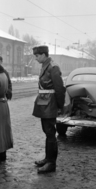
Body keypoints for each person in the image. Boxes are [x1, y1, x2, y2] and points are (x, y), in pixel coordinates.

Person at [32, 46, 65, 174]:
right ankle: (48, 158)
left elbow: (60, 89)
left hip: (50, 103)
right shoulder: (45, 65)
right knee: (47, 131)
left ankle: (51, 163)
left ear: (44, 54)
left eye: (37, 56)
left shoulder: (53, 67)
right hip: (44, 102)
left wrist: (60, 106)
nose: (35, 58)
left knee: (50, 133)